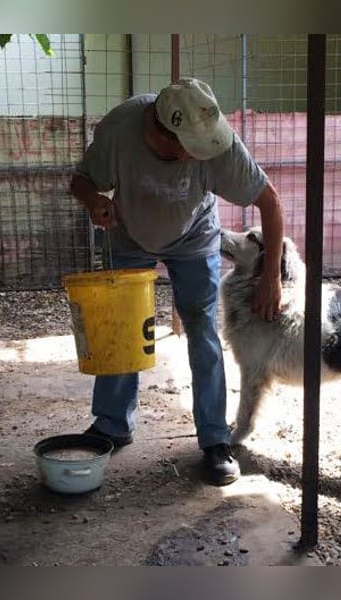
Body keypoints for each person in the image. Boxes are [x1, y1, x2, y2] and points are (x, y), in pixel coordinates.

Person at [69, 77, 284, 486]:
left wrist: (270, 276)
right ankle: (112, 424)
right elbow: (81, 179)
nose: (196, 156)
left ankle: (215, 439)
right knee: (122, 330)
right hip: (130, 235)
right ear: (157, 131)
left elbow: (270, 202)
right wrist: (95, 201)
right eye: (188, 148)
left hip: (195, 236)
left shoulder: (217, 141)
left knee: (203, 331)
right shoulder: (119, 131)